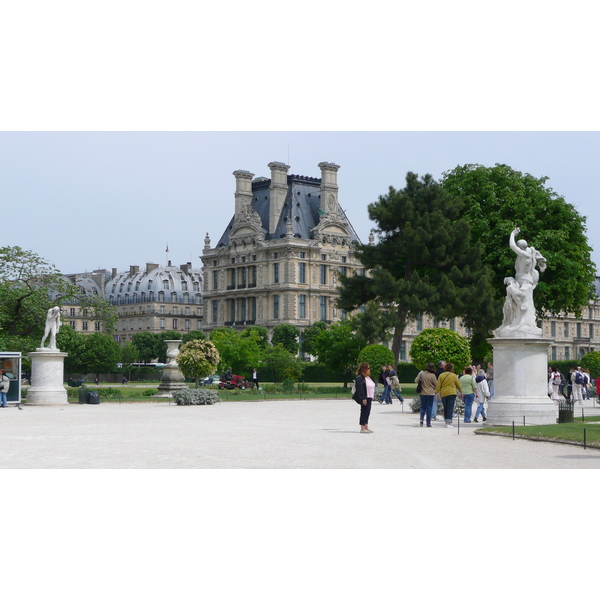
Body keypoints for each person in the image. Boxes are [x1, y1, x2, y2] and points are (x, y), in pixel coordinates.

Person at [435, 362, 463, 428]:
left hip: (443, 393)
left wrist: (437, 393)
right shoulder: (454, 375)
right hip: (451, 392)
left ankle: (446, 421)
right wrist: (461, 392)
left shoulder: (441, 375)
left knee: (445, 407)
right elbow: (458, 385)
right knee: (450, 408)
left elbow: (438, 385)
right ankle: (449, 422)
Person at [355, 362, 375, 433]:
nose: (369, 370)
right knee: (364, 412)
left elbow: (371, 387)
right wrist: (363, 398)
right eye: (368, 368)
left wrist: (372, 396)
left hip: (369, 397)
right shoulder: (360, 378)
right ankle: (362, 428)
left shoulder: (368, 377)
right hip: (365, 397)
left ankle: (366, 426)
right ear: (364, 369)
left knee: (367, 412)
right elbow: (360, 389)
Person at [415, 363, 437, 427]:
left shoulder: (421, 373)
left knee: (423, 407)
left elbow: (416, 380)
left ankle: (421, 419)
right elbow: (436, 384)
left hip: (422, 392)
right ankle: (428, 423)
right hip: (430, 393)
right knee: (429, 407)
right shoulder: (432, 375)